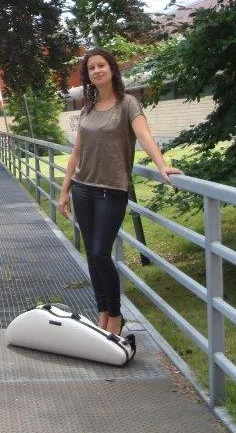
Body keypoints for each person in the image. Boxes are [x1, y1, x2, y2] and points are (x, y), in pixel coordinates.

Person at [57, 47, 181, 337]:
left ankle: (115, 316)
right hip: (83, 189)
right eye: (91, 68)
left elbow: (144, 136)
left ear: (112, 69)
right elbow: (77, 152)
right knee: (91, 254)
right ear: (88, 76)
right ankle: (101, 312)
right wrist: (65, 191)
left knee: (101, 254)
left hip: (111, 190)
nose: (97, 71)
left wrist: (162, 165)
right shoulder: (87, 107)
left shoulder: (128, 104)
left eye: (101, 65)